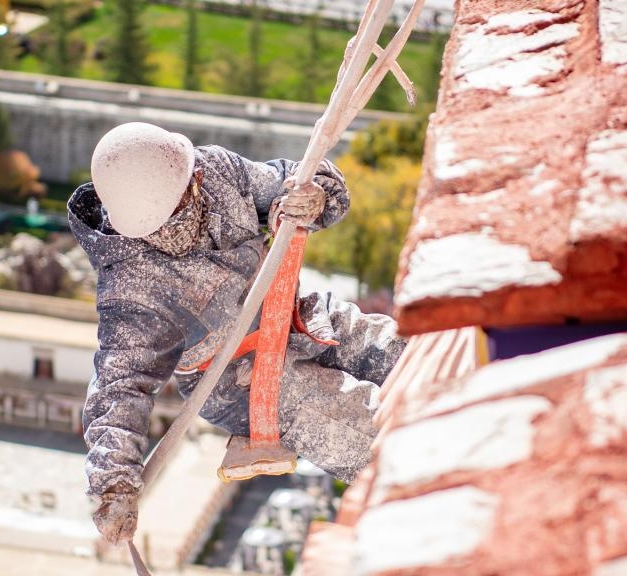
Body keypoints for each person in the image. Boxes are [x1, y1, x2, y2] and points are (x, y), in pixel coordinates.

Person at [67, 122, 407, 544]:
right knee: (370, 432)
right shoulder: (132, 287)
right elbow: (119, 388)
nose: (198, 186)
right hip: (241, 384)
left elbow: (295, 177)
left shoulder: (216, 172)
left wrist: (313, 196)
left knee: (403, 351)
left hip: (292, 316)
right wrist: (112, 484)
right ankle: (442, 471)